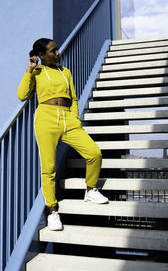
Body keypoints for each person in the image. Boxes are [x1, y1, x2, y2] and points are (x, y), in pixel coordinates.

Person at [17, 38, 109, 231]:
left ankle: (90, 190)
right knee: (48, 168)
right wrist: (29, 69)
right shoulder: (37, 72)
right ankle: (52, 211)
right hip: (45, 119)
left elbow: (73, 98)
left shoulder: (65, 71)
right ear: (41, 55)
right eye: (52, 51)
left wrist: (74, 117)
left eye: (56, 49)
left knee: (94, 153)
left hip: (68, 120)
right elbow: (22, 95)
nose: (57, 53)